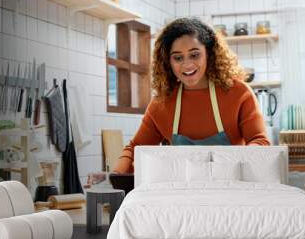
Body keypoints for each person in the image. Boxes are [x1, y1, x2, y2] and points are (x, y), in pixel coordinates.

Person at [113, 17, 270, 174]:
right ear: (168, 62)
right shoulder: (162, 103)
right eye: (178, 57)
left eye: (194, 55)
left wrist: (240, 161)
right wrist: (114, 176)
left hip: (232, 188)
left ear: (209, 53)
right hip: (183, 193)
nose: (187, 64)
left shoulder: (238, 93)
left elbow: (260, 142)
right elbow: (135, 150)